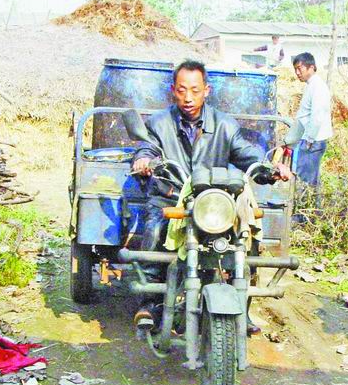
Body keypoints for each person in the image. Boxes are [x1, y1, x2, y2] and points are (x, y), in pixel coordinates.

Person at [132, 60, 291, 333]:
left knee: (245, 236)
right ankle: (150, 303)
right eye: (182, 90)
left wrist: (271, 169)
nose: (188, 97)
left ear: (206, 90)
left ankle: (241, 307)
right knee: (155, 228)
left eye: (195, 90)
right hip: (171, 196)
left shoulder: (225, 125)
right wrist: (144, 161)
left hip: (213, 202)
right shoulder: (159, 123)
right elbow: (147, 148)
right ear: (173, 90)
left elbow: (248, 155)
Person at [284, 52, 332, 211]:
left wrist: (310, 139)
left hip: (313, 141)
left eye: (300, 68)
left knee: (305, 181)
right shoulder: (311, 86)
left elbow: (317, 115)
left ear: (311, 67)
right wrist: (288, 141)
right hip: (310, 139)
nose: (297, 73)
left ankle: (302, 217)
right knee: (310, 181)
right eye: (295, 69)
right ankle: (312, 214)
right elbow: (303, 117)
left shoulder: (318, 87)